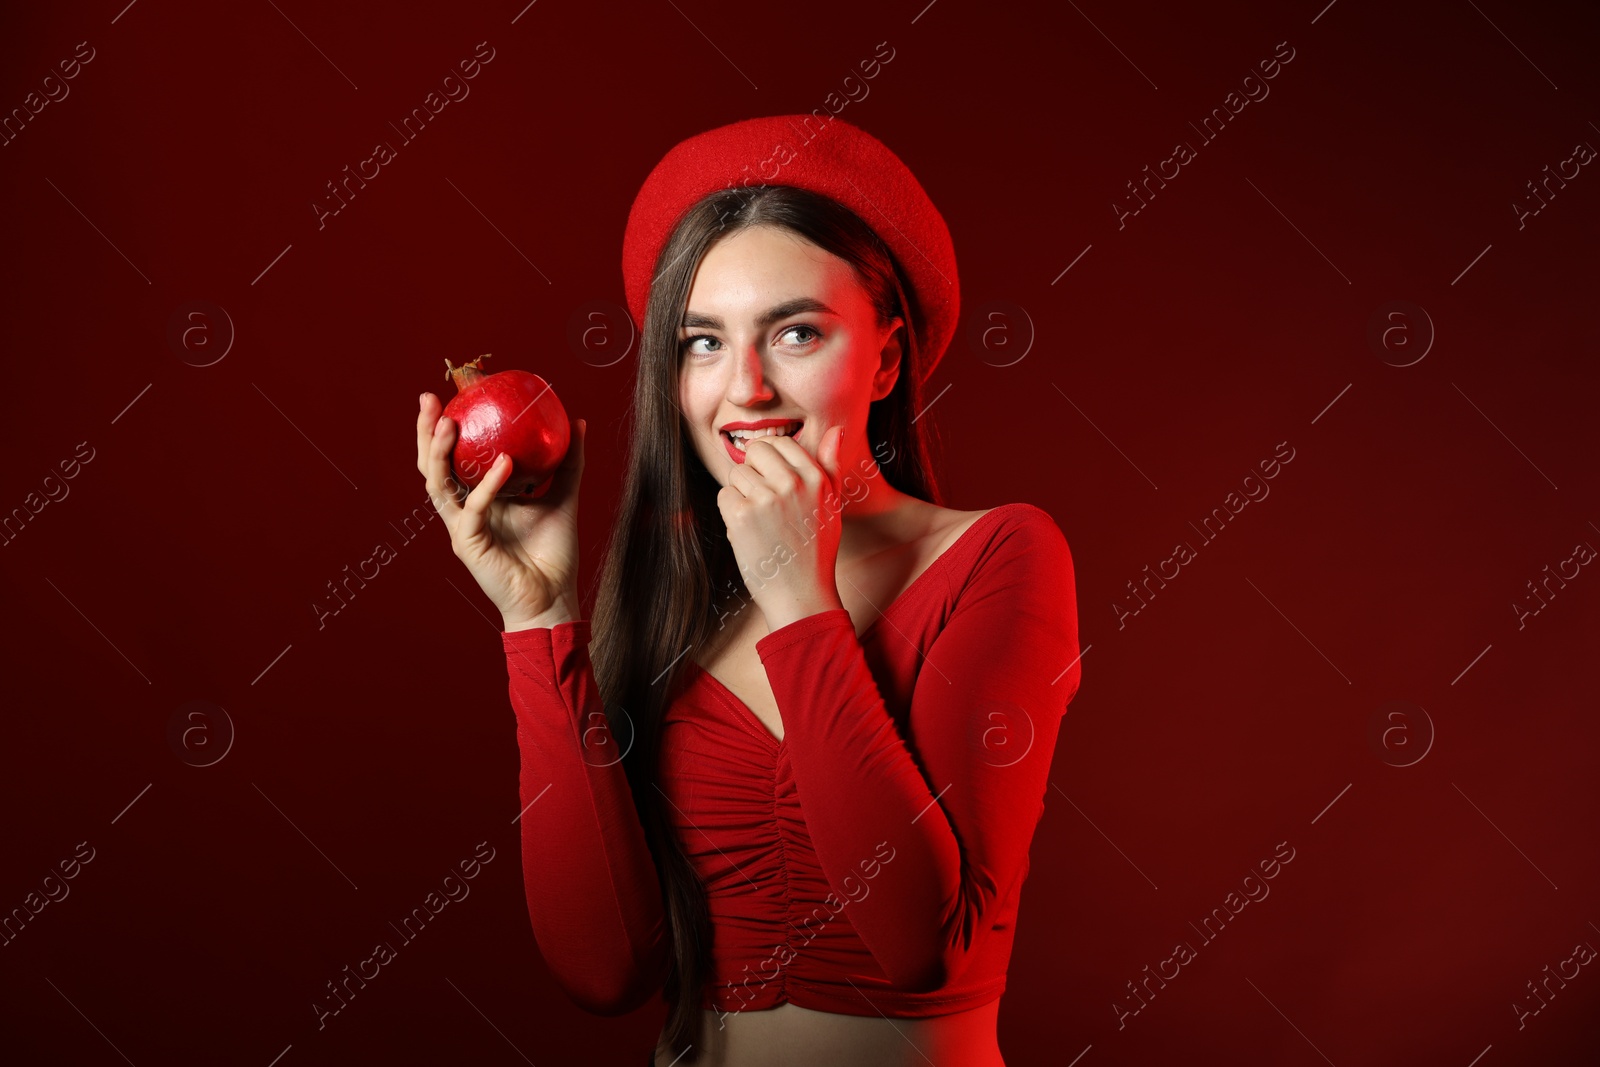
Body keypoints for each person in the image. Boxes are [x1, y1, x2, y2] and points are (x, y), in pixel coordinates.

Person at [414, 114, 1083, 1066]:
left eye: (797, 332)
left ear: (887, 358)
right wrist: (539, 614)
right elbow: (603, 971)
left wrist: (801, 603)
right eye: (702, 343)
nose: (747, 389)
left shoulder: (999, 555)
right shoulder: (677, 600)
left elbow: (921, 949)